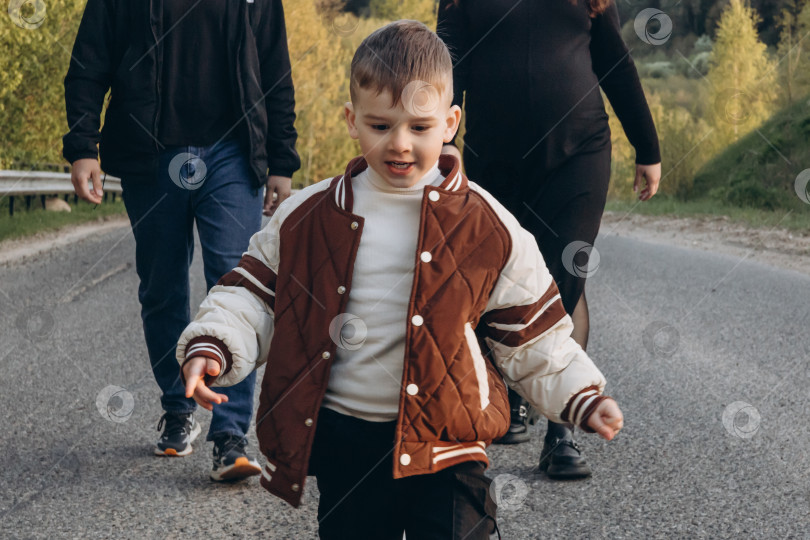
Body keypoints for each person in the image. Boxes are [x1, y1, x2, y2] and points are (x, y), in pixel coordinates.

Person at [177, 20, 624, 539]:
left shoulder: (486, 224)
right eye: (380, 125)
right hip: (349, 440)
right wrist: (214, 344)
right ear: (351, 120)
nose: (400, 144)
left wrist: (582, 395)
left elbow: (532, 332)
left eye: (419, 127)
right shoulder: (307, 216)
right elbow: (251, 295)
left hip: (449, 439)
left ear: (451, 122)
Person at [62, 0, 300, 481]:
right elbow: (90, 60)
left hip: (232, 153)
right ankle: (178, 407)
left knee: (235, 286)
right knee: (162, 287)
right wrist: (83, 146)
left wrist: (281, 158)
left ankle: (230, 434)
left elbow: (275, 66)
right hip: (149, 153)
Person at [437, 0, 661, 479]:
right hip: (496, 158)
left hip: (579, 151)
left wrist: (648, 147)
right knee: (507, 279)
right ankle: (516, 394)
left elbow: (614, 61)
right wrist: (439, 140)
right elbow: (450, 65)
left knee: (566, 272)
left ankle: (562, 429)